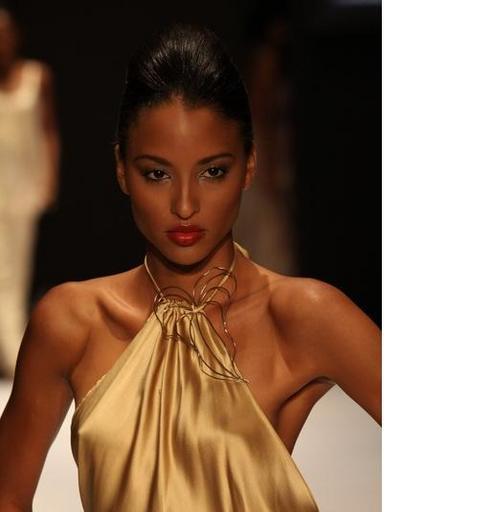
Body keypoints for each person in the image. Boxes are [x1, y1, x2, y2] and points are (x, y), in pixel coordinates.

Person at [0, 22, 380, 511]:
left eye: (213, 171)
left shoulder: (301, 315)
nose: (184, 205)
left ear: (249, 166)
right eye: (157, 173)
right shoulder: (72, 323)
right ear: (121, 169)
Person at [0, 6, 60, 379]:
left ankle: (16, 356)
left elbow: (48, 131)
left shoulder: (36, 77)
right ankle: (13, 355)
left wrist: (49, 178)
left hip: (23, 187)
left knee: (16, 272)